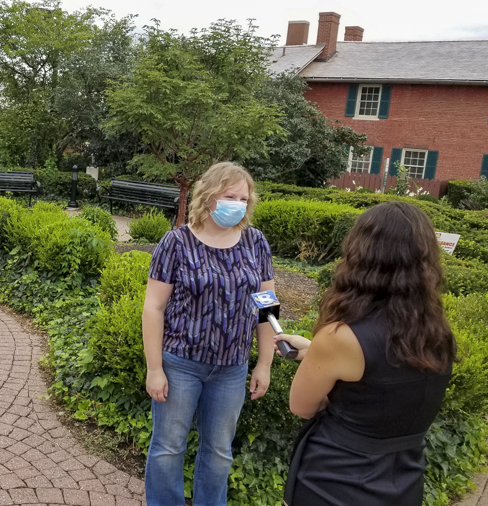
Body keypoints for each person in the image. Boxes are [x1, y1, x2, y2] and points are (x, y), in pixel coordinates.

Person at [274, 201, 457, 506]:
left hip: (334, 479)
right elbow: (385, 383)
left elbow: (302, 406)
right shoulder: (437, 334)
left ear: (362, 254)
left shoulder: (339, 338)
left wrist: (324, 357)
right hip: (404, 478)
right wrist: (314, 352)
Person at [142, 162, 276, 506]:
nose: (238, 204)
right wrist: (154, 368)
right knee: (168, 448)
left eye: (244, 198)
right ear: (208, 196)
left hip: (232, 369)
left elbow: (267, 306)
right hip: (180, 364)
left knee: (219, 453)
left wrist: (264, 363)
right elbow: (154, 307)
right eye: (230, 196)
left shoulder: (256, 242)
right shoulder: (176, 243)